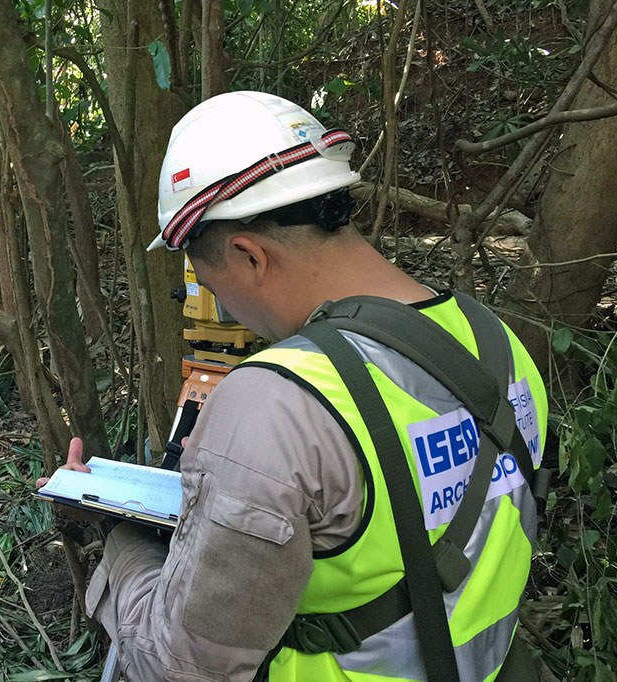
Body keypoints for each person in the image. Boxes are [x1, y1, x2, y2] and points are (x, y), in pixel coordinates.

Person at [59, 91, 547, 681]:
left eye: (209, 280)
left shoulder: (278, 404)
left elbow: (182, 666)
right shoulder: (492, 339)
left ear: (248, 255)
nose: (227, 307)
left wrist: (121, 536)